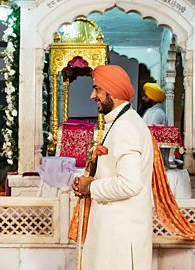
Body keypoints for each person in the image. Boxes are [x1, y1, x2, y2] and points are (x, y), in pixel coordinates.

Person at [71, 65, 154, 270]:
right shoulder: (122, 121)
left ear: (113, 90)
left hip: (120, 238)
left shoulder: (125, 126)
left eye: (97, 89)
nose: (92, 95)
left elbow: (130, 184)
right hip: (116, 233)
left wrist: (90, 187)